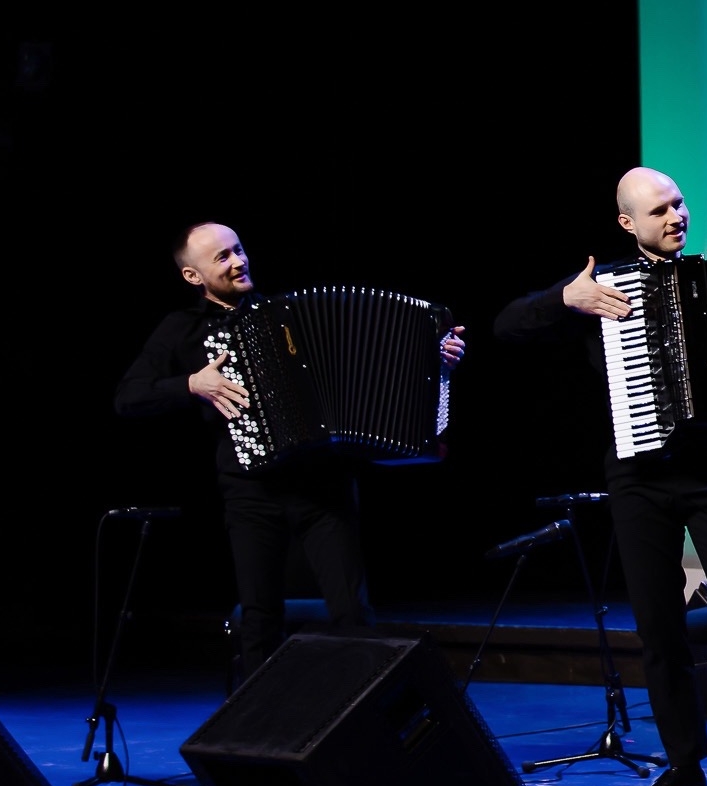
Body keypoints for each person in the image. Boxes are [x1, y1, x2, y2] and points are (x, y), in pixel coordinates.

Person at [493, 168, 707, 786]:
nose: (675, 216)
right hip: (638, 478)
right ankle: (684, 765)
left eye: (679, 204)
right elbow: (507, 326)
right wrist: (563, 298)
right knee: (659, 626)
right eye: (659, 211)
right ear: (628, 223)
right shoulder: (602, 286)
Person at [116, 223, 466, 683]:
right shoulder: (182, 329)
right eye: (222, 257)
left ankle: (363, 710)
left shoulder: (287, 315)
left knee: (352, 611)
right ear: (192, 276)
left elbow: (375, 363)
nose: (238, 262)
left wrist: (433, 356)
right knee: (259, 616)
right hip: (250, 490)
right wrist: (191, 383)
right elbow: (129, 397)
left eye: (238, 250)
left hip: (323, 485)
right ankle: (260, 719)